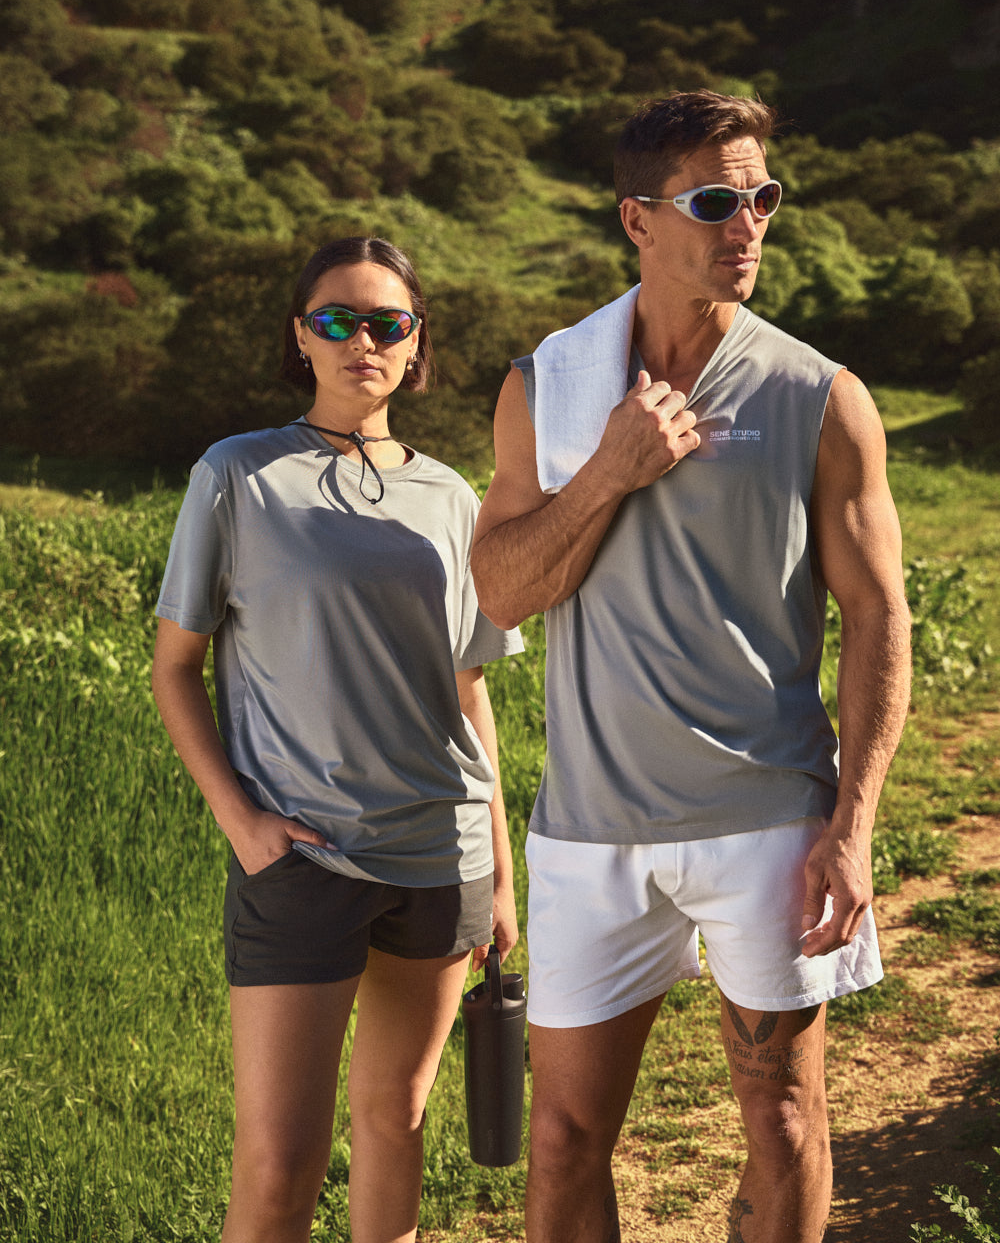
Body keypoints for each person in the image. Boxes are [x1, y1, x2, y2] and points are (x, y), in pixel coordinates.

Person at [470, 91, 911, 1243]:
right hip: (589, 825)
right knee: (563, 1139)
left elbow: (877, 614)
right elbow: (502, 591)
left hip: (766, 819)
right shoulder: (547, 384)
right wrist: (609, 468)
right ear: (637, 219)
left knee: (784, 1117)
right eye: (715, 201)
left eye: (763, 197)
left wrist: (854, 822)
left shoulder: (821, 397)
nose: (747, 223)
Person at [151, 236, 522, 1243]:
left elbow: (468, 691)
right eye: (337, 319)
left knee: (397, 1122)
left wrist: (499, 867)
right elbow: (174, 667)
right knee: (279, 1165)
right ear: (301, 337)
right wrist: (244, 824)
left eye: (388, 322)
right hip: (302, 857)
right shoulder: (237, 474)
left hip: (442, 855)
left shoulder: (452, 497)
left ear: (416, 343)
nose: (364, 340)